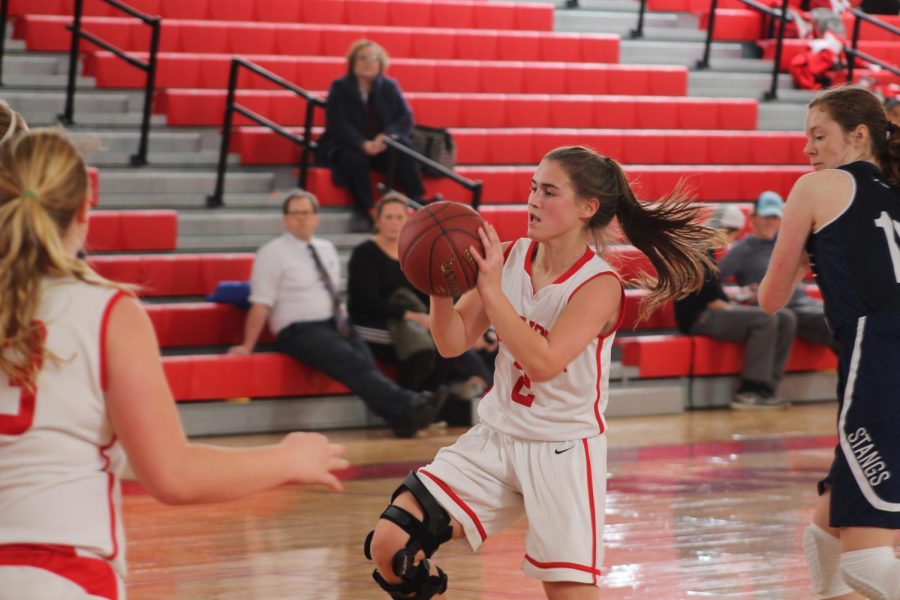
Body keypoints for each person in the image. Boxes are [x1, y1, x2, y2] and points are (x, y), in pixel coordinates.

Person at [0, 130, 349, 598]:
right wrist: (287, 459)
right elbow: (172, 474)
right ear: (86, 211)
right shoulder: (105, 312)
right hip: (60, 572)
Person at [363, 145, 718, 599]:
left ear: (588, 208)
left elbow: (546, 362)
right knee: (393, 546)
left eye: (549, 192)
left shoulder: (600, 285)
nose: (533, 200)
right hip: (497, 438)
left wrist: (491, 292)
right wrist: (439, 284)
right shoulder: (509, 257)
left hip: (562, 452)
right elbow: (451, 343)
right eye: (533, 188)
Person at [759, 86, 900, 600]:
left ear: (859, 135)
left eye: (818, 136)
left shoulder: (817, 188)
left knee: (866, 561)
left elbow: (770, 298)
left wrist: (797, 264)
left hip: (881, 353)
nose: (808, 150)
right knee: (825, 533)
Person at [229, 189, 446, 438]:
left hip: (336, 323)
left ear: (316, 218)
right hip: (299, 328)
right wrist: (247, 345)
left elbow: (331, 293)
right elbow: (261, 303)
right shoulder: (272, 252)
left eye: (307, 213)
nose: (302, 218)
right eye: (296, 213)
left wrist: (343, 322)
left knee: (364, 361)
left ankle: (403, 419)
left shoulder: (326, 248)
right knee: (353, 363)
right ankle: (411, 404)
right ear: (285, 219)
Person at [347, 193, 493, 402]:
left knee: (447, 345)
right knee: (422, 350)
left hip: (408, 319)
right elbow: (365, 301)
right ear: (377, 220)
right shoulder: (365, 253)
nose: (394, 223)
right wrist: (410, 316)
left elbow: (425, 293)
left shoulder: (413, 251)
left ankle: (429, 401)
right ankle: (408, 404)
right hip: (372, 322)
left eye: (399, 217)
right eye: (389, 217)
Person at [674, 204, 798, 409]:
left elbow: (714, 294)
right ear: (726, 231)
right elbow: (713, 303)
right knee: (766, 317)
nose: (731, 242)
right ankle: (750, 390)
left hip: (708, 311)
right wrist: (746, 310)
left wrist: (741, 299)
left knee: (786, 317)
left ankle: (767, 387)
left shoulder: (705, 249)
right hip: (698, 318)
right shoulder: (698, 252)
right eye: (733, 236)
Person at [316, 39, 426, 229]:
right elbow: (337, 123)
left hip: (381, 145)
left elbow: (405, 118)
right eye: (363, 58)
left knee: (403, 147)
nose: (369, 62)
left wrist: (386, 137)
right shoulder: (340, 87)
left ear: (381, 63)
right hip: (348, 145)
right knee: (354, 159)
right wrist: (361, 143)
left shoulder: (389, 86)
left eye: (373, 58)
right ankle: (367, 210)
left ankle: (418, 199)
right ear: (353, 62)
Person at [720, 190, 841, 354]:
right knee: (835, 321)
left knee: (844, 314)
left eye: (775, 217)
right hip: (784, 309)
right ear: (753, 217)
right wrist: (738, 295)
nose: (770, 223)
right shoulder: (741, 250)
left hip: (805, 304)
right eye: (766, 217)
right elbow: (711, 284)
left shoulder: (785, 242)